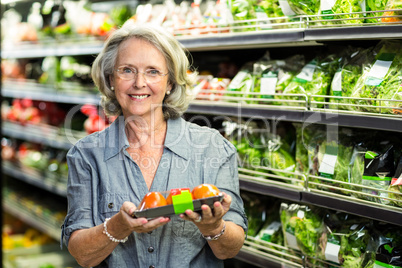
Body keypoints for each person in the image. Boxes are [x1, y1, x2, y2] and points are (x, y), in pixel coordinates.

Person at [61, 22, 248, 268]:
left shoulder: (212, 148)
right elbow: (82, 255)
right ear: (111, 79)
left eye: (152, 71)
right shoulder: (86, 155)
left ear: (170, 82)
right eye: (127, 70)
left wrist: (213, 226)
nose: (139, 83)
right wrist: (119, 225)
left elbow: (231, 249)